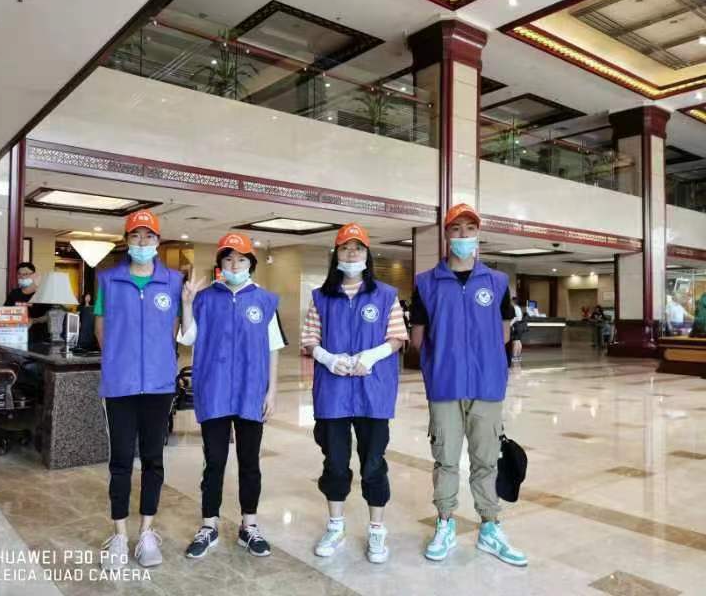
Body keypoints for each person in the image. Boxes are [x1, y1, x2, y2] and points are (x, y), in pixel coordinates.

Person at [410, 203, 527, 567]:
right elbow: (417, 338)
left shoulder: (497, 282)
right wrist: (446, 358)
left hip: (487, 385)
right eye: (456, 229)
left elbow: (504, 331)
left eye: (469, 229)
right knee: (445, 458)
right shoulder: (426, 283)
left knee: (486, 460)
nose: (463, 235)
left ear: (478, 234)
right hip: (444, 385)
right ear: (446, 235)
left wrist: (481, 357)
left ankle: (490, 527)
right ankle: (445, 522)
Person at [301, 222, 407, 564]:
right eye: (345, 248)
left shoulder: (385, 295)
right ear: (336, 255)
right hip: (333, 393)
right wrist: (327, 358)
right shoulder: (321, 296)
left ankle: (377, 530)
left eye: (357, 248)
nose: (351, 253)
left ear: (367, 254)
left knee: (373, 463)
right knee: (334, 462)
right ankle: (336, 525)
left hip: (373, 392)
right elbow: (309, 339)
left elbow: (397, 338)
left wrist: (371, 357)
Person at [178, 232, 286, 559]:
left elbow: (274, 348)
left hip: (251, 393)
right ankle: (208, 525)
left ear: (250, 264)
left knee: (249, 462)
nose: (234, 265)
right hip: (214, 391)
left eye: (240, 259)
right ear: (220, 264)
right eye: (228, 259)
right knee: (214, 462)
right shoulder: (205, 298)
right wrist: (187, 304)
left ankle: (249, 526)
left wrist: (272, 391)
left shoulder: (265, 300)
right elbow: (188, 338)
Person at [96, 210, 182, 570]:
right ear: (126, 240)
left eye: (148, 236)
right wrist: (119, 361)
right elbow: (101, 327)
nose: (142, 242)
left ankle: (146, 532)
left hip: (159, 386)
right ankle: (119, 535)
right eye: (135, 236)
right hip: (120, 385)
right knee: (120, 460)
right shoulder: (107, 280)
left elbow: (175, 330)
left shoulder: (174, 281)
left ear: (158, 241)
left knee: (153, 459)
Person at [4, 262, 51, 343]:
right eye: (19, 274)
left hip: (39, 338)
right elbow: (5, 312)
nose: (22, 277)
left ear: (34, 275)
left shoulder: (43, 294)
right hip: (17, 336)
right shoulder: (14, 293)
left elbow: (49, 316)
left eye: (26, 274)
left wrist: (33, 320)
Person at [508, 296, 524, 365]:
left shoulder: (514, 308)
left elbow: (515, 318)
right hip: (519, 325)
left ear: (513, 301)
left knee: (515, 342)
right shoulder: (518, 308)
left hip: (516, 325)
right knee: (518, 341)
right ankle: (518, 356)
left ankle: (514, 356)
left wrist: (510, 324)